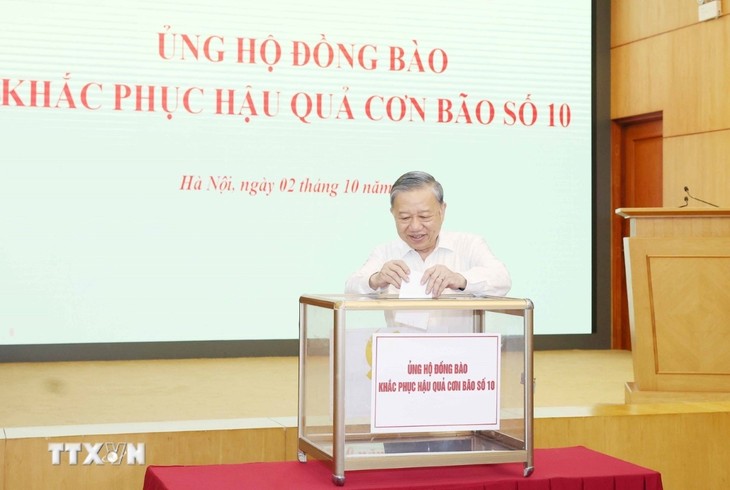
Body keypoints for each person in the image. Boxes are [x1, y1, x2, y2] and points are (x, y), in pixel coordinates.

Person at [345, 171, 511, 301]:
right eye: (405, 218)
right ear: (392, 214)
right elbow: (350, 289)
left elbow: (502, 280)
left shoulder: (469, 244)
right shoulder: (385, 252)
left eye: (424, 216)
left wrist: (460, 279)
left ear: (442, 211)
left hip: (459, 337)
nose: (415, 227)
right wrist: (375, 279)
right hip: (400, 337)